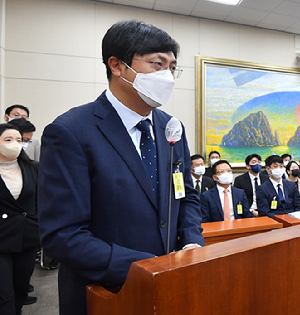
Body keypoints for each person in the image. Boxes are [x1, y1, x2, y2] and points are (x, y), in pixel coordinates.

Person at [38, 20, 204, 315]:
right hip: (106, 293)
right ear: (117, 66)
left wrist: (191, 242)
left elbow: (186, 195)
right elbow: (61, 235)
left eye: (172, 67)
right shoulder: (71, 131)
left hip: (169, 286)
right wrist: (142, 267)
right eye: (157, 64)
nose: (168, 76)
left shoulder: (170, 127)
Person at [0, 124, 39, 315]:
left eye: (20, 140)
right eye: (8, 140)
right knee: (3, 294)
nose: (15, 144)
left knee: (21, 289)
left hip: (27, 237)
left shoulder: (33, 168)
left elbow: (42, 200)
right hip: (1, 238)